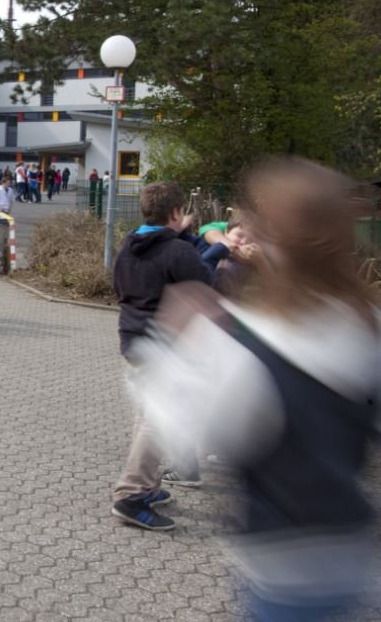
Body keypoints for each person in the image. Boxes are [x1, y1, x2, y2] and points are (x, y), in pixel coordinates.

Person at [147, 158, 380, 616]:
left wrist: (174, 345)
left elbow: (183, 433)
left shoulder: (245, 346)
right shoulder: (368, 324)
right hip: (353, 554)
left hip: (282, 571)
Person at [109, 182, 211, 531]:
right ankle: (131, 495)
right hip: (165, 347)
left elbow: (118, 288)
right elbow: (205, 289)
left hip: (133, 341)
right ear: (176, 213)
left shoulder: (128, 244)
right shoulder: (179, 252)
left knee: (148, 414)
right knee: (158, 419)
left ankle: (148, 486)